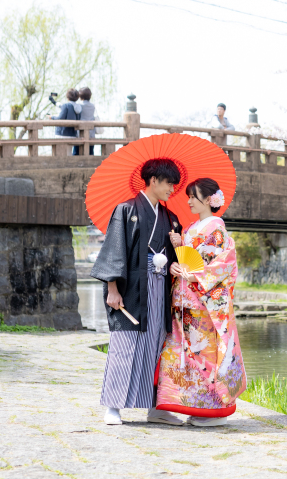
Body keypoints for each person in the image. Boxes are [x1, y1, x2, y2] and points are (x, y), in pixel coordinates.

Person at [90, 159, 185, 426]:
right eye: (168, 183)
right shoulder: (126, 210)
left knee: (157, 346)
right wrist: (112, 289)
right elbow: (114, 251)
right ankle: (113, 406)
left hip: (160, 287)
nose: (172, 189)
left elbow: (179, 259)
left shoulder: (170, 218)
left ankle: (157, 407)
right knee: (125, 345)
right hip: (132, 289)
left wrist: (179, 246)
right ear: (153, 180)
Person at [155, 177, 247, 426]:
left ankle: (213, 411)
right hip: (184, 303)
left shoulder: (216, 227)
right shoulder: (193, 227)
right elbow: (188, 259)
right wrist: (178, 254)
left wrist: (192, 272)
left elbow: (221, 265)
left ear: (208, 199)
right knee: (184, 356)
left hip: (203, 306)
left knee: (205, 356)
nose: (189, 202)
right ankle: (191, 407)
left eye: (193, 197)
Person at [77, 86, 97, 156]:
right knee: (91, 151)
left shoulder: (79, 105)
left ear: (80, 96)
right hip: (91, 132)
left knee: (77, 152)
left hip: (80, 132)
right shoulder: (92, 106)